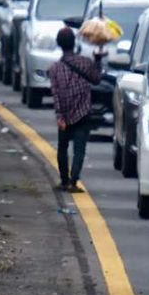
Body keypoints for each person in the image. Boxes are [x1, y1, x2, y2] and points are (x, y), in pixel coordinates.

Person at [47, 27, 103, 192]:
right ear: (74, 43)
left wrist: (60, 116)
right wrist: (98, 61)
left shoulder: (55, 69)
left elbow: (56, 94)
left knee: (62, 148)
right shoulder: (85, 62)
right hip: (83, 112)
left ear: (59, 44)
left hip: (64, 114)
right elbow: (96, 79)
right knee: (79, 150)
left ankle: (64, 181)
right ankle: (73, 181)